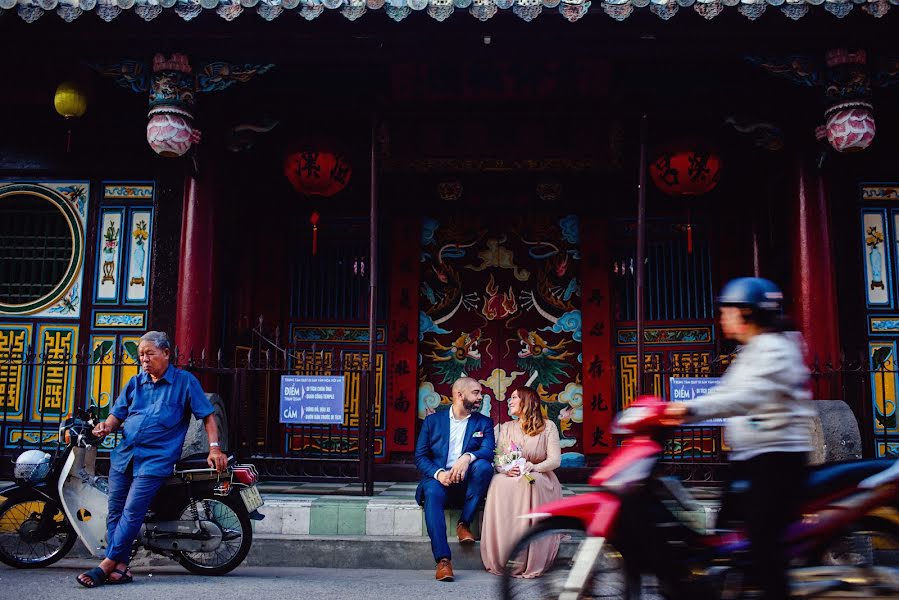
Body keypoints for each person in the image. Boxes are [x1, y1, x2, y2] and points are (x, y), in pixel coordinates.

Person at [664, 277, 814, 600]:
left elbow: (745, 396)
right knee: (722, 543)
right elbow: (725, 392)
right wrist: (678, 409)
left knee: (761, 543)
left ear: (746, 312)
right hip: (749, 461)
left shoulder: (776, 349)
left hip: (775, 462)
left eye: (726, 311)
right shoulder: (752, 350)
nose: (722, 318)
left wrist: (688, 409)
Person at [76, 331, 227, 588]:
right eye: (141, 355)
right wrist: (105, 427)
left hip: (156, 459)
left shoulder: (185, 382)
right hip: (125, 455)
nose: (144, 360)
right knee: (115, 512)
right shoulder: (135, 383)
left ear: (166, 354)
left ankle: (105, 566)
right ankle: (121, 567)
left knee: (133, 511)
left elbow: (208, 416)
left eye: (150, 354)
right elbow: (116, 417)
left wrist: (214, 448)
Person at [415, 376, 496, 582]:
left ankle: (464, 523)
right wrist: (439, 474)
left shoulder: (484, 422)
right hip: (439, 480)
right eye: (476, 393)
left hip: (466, 483)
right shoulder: (433, 421)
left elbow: (487, 450)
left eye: (480, 393)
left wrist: (467, 458)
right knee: (432, 491)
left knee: (483, 466)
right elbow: (421, 456)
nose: (481, 397)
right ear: (459, 395)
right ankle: (443, 560)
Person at [481, 386, 562, 578]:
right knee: (498, 482)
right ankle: (505, 547)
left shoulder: (548, 426)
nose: (509, 401)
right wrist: (506, 469)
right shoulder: (507, 427)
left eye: (514, 397)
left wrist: (533, 467)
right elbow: (499, 459)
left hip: (540, 475)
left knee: (529, 482)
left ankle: (529, 552)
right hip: (513, 473)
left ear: (527, 401)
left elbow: (555, 460)